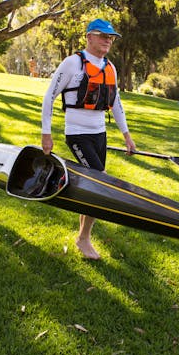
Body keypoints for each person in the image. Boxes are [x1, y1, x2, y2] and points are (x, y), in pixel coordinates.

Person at [41, 18, 136, 259]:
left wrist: (127, 136)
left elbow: (116, 104)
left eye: (111, 37)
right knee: (99, 183)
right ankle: (84, 239)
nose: (108, 40)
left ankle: (81, 236)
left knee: (92, 185)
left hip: (99, 134)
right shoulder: (73, 63)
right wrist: (46, 134)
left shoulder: (110, 68)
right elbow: (49, 97)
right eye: (103, 35)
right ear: (89, 37)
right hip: (77, 133)